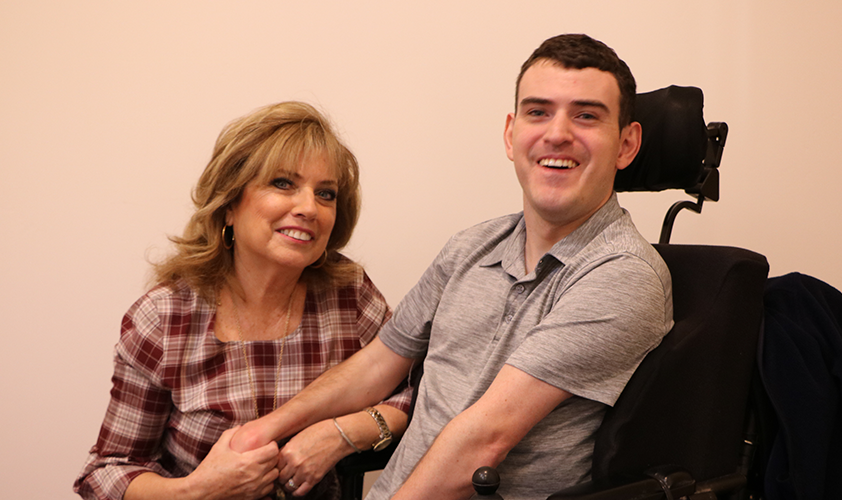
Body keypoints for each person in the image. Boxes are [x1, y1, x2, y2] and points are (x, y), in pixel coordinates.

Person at [232, 34, 674, 499]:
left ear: (626, 145)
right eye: (538, 112)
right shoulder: (471, 247)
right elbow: (378, 365)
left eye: (586, 115)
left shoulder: (621, 273)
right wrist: (264, 430)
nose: (557, 133)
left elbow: (484, 442)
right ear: (511, 133)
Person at [74, 102, 412, 500]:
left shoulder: (349, 294)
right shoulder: (165, 317)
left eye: (326, 193)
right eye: (284, 183)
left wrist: (340, 433)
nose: (308, 208)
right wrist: (197, 490)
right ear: (229, 204)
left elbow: (412, 391)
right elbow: (105, 473)